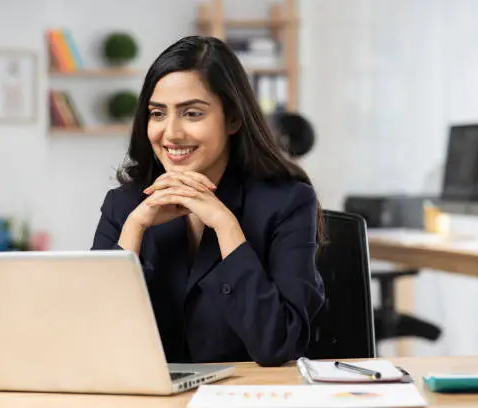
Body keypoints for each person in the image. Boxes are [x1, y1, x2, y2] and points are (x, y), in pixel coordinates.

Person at [91, 35, 325, 367]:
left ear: (233, 118)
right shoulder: (125, 205)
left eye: (192, 114)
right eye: (158, 114)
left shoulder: (287, 202)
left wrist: (226, 227)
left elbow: (278, 346)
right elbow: (94, 341)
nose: (170, 133)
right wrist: (133, 230)